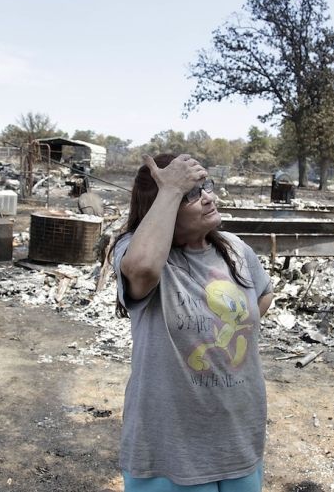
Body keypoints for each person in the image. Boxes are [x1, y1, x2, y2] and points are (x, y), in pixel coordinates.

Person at [111, 153, 273, 492]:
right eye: (191, 194)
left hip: (237, 435)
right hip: (169, 449)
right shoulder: (136, 251)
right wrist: (171, 188)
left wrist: (220, 329)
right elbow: (142, 270)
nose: (208, 198)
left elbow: (262, 298)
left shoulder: (236, 249)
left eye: (206, 187)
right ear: (161, 206)